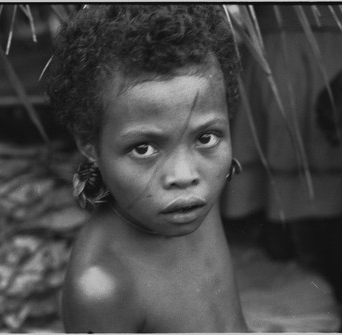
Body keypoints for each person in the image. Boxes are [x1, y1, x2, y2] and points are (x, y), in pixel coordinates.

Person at [46, 5, 249, 333]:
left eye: (206, 138)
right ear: (89, 144)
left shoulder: (192, 205)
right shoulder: (101, 286)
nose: (184, 176)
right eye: (143, 148)